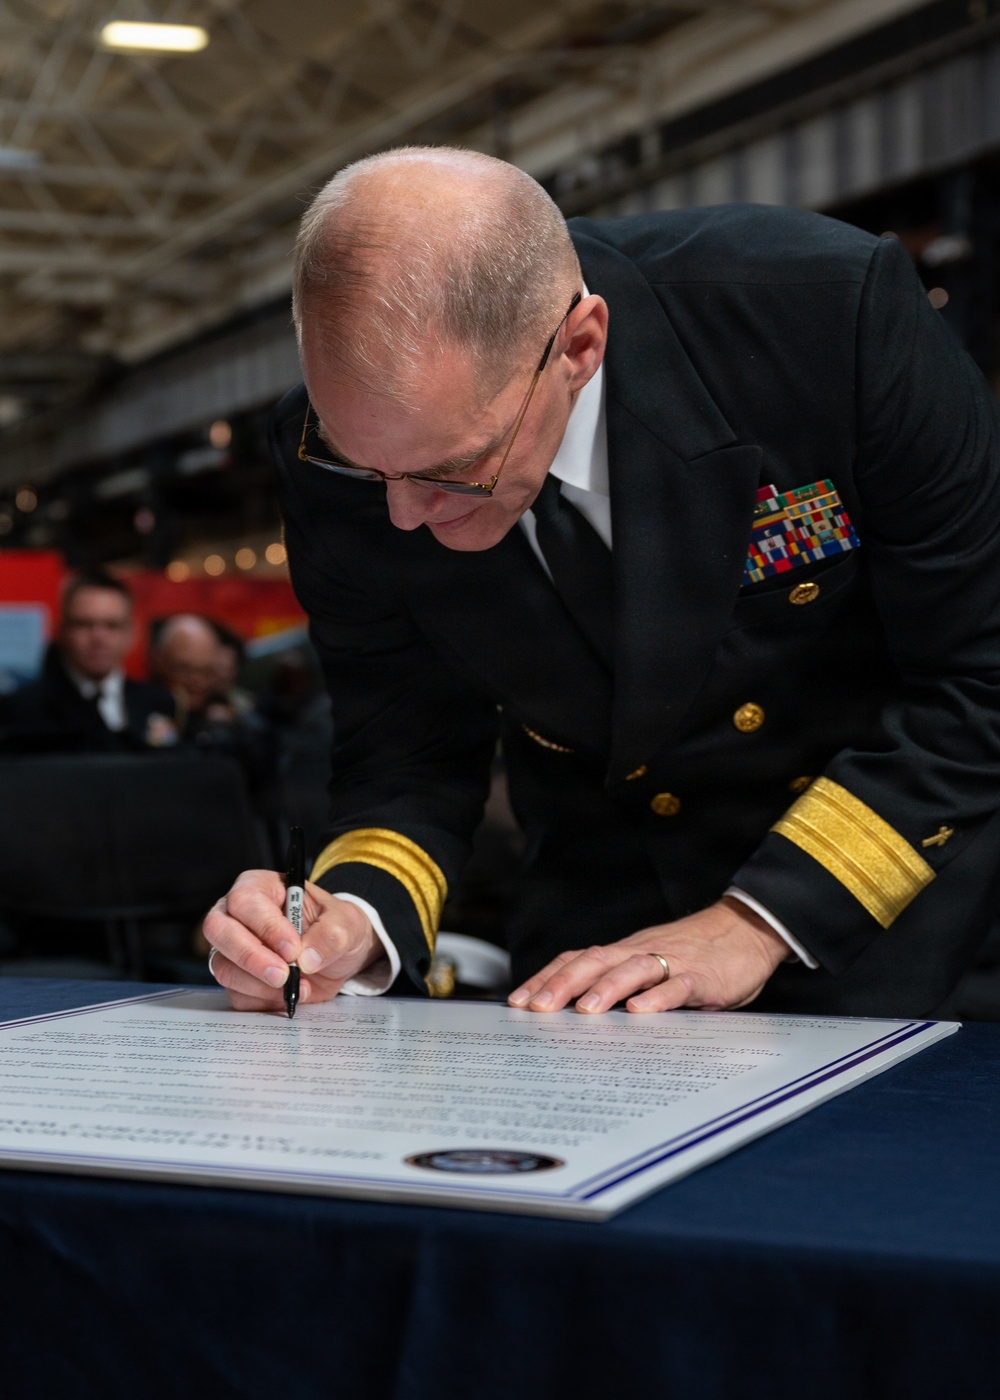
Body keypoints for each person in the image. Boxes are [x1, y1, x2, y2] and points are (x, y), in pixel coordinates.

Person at [204, 147, 1000, 1022]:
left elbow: (981, 678)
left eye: (456, 470)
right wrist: (348, 917)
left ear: (579, 345)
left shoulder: (820, 315)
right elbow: (405, 746)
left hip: (889, 896)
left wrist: (753, 923)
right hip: (593, 932)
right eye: (366, 470)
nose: (402, 516)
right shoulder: (327, 443)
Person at [0, 570, 177, 752]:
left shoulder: (160, 703)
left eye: (112, 625)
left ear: (132, 633)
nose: (99, 638)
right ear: (61, 631)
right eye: (84, 624)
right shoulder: (23, 710)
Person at [151, 614, 274, 795]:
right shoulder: (139, 708)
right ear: (160, 661)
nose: (196, 681)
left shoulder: (236, 718)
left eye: (206, 672)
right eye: (184, 669)